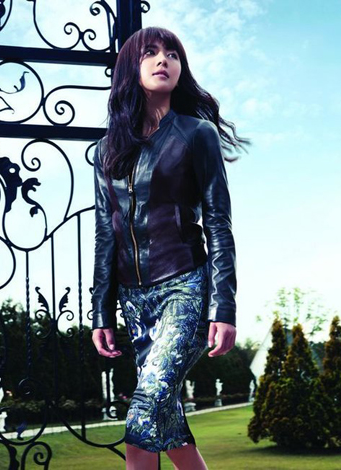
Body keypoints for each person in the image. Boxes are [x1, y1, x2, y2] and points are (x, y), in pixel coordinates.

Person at [91, 27, 248, 470]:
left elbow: (218, 223)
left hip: (185, 288)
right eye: (151, 52)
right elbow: (106, 234)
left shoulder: (197, 134)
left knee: (144, 411)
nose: (163, 60)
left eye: (172, 54)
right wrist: (101, 312)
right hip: (133, 299)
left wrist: (224, 306)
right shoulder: (106, 151)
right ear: (131, 68)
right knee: (168, 420)